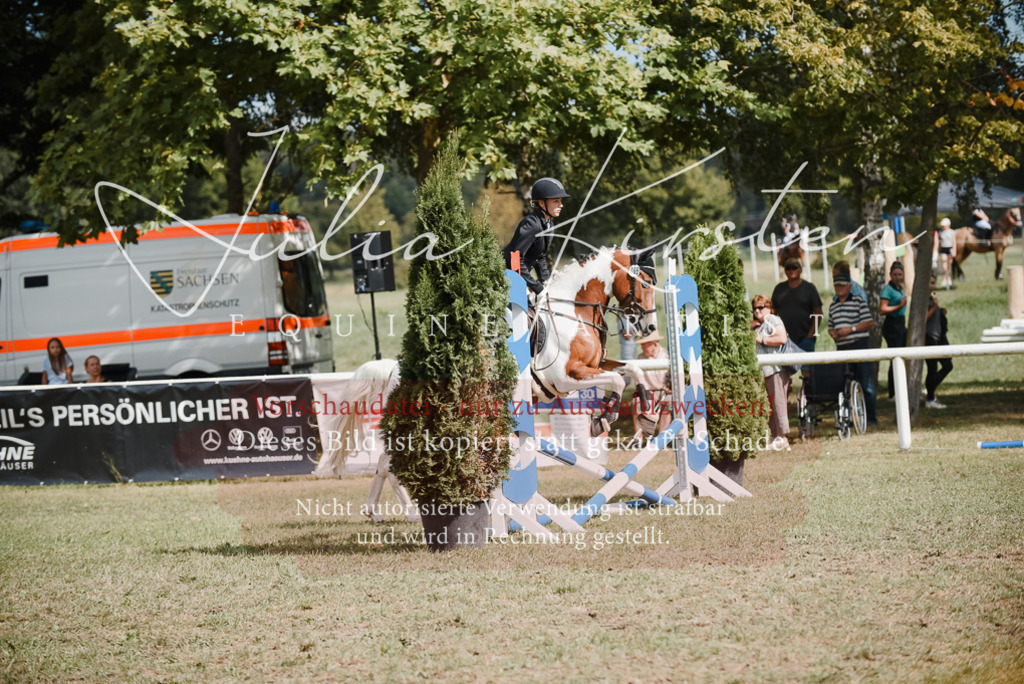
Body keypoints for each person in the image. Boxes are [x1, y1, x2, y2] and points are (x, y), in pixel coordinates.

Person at [502, 177, 570, 296]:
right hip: (505, 278)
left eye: (560, 201)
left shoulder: (549, 225)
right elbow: (515, 259)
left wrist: (546, 282)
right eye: (556, 201)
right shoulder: (531, 224)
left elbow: (540, 257)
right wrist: (537, 287)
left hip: (519, 279)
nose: (561, 205)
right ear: (542, 203)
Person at [828, 274, 877, 425]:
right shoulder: (833, 306)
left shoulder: (858, 301)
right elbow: (830, 326)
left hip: (859, 345)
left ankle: (870, 417)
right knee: (846, 383)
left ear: (849, 287)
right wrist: (834, 333)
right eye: (837, 286)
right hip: (842, 347)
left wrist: (851, 329)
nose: (839, 289)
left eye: (842, 286)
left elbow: (869, 322)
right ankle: (849, 417)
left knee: (865, 381)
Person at [752, 295, 791, 450]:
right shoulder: (761, 324)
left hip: (776, 369)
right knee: (771, 405)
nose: (757, 311)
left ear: (769, 307)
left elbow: (782, 338)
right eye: (754, 308)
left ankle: (783, 437)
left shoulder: (773, 320)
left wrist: (762, 340)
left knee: (779, 404)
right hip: (766, 371)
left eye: (761, 307)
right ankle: (774, 435)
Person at [771, 258, 823, 353]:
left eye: (794, 267)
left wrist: (811, 334)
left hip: (806, 338)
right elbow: (773, 313)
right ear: (785, 270)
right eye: (788, 268)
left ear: (800, 269)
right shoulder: (779, 289)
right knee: (785, 367)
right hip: (784, 338)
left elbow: (818, 313)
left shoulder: (809, 288)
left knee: (807, 367)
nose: (791, 270)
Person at [631, 332, 672, 438]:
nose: (642, 346)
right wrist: (649, 394)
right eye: (642, 344)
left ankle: (661, 438)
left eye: (645, 344)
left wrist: (669, 388)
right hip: (647, 391)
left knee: (668, 402)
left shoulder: (667, 356)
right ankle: (638, 439)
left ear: (655, 344)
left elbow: (672, 377)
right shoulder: (640, 358)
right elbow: (639, 381)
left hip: (664, 391)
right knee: (637, 403)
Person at [879, 261, 908, 399]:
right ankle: (893, 392)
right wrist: (899, 306)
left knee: (903, 356)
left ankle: (902, 387)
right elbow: (882, 309)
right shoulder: (887, 290)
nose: (897, 277)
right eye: (895, 274)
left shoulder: (899, 288)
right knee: (895, 358)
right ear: (890, 275)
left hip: (901, 324)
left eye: (900, 274)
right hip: (892, 325)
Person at [924, 275, 953, 409]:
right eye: (930, 283)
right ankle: (930, 398)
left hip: (938, 336)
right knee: (932, 368)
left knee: (947, 364)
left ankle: (930, 388)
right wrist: (934, 307)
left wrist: (940, 311)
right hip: (928, 337)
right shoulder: (924, 299)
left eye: (934, 283)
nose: (932, 285)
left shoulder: (930, 298)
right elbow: (923, 318)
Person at [933, 218, 957, 289]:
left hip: (950, 248)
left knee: (949, 264)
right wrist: (938, 250)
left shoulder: (952, 232)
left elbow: (954, 242)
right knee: (944, 264)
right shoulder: (940, 232)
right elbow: (939, 242)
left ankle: (948, 278)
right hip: (943, 249)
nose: (943, 227)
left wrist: (954, 251)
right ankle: (945, 278)